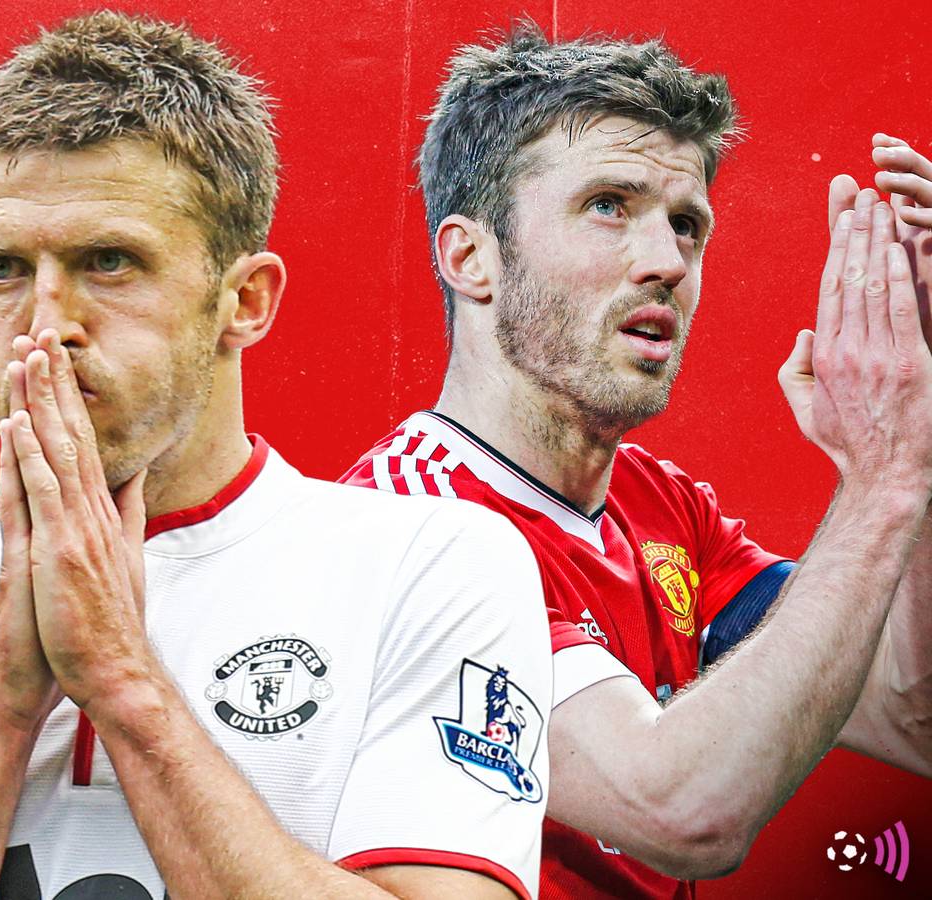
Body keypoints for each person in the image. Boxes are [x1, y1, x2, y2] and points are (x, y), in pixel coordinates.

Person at [0, 13, 552, 900]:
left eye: (109, 261)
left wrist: (124, 683)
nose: (45, 324)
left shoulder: (429, 570)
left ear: (245, 301)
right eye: (1, 268)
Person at [340, 26, 932, 899]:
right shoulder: (407, 526)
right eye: (609, 205)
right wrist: (885, 480)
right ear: (472, 258)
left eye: (686, 224)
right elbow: (683, 809)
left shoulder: (664, 506)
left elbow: (910, 712)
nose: (667, 264)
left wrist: (921, 443)